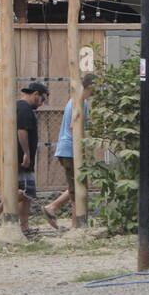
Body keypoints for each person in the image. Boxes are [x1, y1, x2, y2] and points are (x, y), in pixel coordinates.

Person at [44, 74, 94, 230]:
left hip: (67, 149)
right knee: (77, 190)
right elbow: (74, 125)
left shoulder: (76, 100)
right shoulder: (80, 101)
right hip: (70, 150)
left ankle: (53, 207)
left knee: (80, 185)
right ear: (91, 87)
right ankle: (75, 226)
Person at [15, 81, 48, 236]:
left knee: (27, 194)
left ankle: (24, 228)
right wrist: (26, 153)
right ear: (36, 94)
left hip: (22, 159)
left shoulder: (23, 107)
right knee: (25, 192)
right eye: (43, 99)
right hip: (21, 159)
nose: (42, 103)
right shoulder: (24, 108)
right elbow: (22, 131)